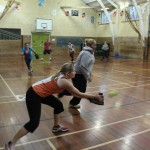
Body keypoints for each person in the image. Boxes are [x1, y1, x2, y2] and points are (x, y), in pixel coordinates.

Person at [5, 62, 103, 150]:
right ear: (68, 73)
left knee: (58, 105)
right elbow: (78, 94)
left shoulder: (65, 76)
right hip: (34, 94)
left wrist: (90, 97)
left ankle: (56, 127)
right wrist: (93, 96)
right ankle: (11, 143)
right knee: (33, 123)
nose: (75, 72)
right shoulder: (64, 81)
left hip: (41, 93)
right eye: (74, 71)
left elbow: (75, 93)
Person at [58, 38, 97, 109]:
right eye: (94, 45)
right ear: (90, 45)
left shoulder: (90, 52)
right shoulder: (86, 53)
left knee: (78, 89)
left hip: (80, 73)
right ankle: (71, 101)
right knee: (81, 90)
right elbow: (82, 66)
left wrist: (90, 73)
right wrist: (88, 76)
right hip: (79, 74)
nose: (96, 46)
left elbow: (89, 65)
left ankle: (65, 94)